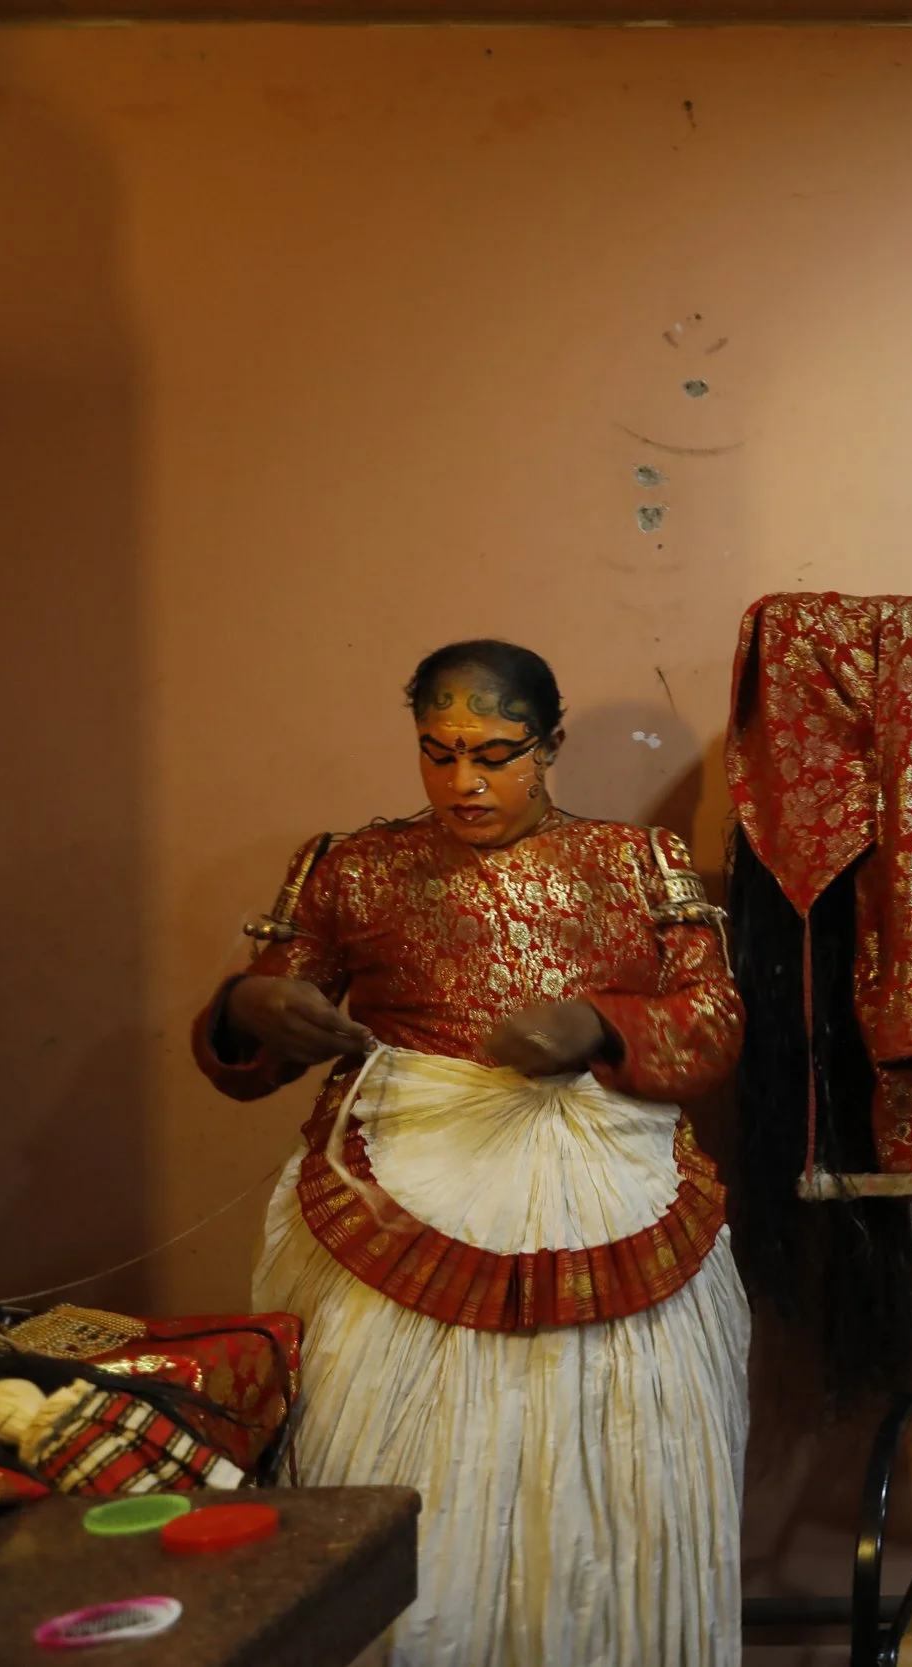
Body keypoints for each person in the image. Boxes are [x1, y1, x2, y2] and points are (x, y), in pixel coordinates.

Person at [192, 640, 748, 1667]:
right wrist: (250, 1005)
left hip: (613, 1199)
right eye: (437, 753)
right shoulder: (352, 868)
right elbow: (256, 1055)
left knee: (619, 1472)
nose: (464, 782)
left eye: (496, 753)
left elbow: (712, 1027)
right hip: (397, 1202)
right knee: (388, 1462)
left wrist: (598, 1021)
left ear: (551, 744)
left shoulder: (637, 862)